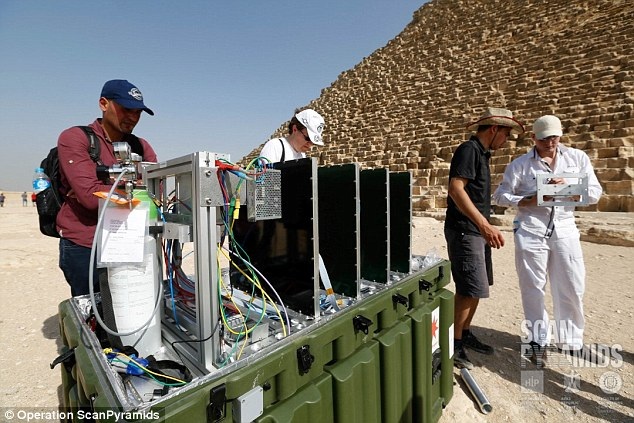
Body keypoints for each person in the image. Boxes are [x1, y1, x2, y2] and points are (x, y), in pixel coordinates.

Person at [493, 115, 602, 366]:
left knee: (572, 285)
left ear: (560, 135)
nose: (550, 143)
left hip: (565, 228)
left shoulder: (577, 158)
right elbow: (500, 195)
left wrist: (570, 186)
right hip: (531, 228)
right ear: (534, 138)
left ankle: (572, 341)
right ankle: (537, 341)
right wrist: (526, 199)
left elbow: (595, 193)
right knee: (533, 286)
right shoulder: (520, 165)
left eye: (554, 137)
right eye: (544, 139)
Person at [56, 79, 158, 297]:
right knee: (94, 314)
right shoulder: (75, 138)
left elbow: (154, 194)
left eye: (138, 112)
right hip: (86, 245)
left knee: (132, 309)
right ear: (103, 104)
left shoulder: (141, 146)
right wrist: (130, 187)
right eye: (126, 109)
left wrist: (103, 188)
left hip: (130, 243)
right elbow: (90, 200)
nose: (133, 117)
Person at [445, 107, 524, 369]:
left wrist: (484, 226)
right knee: (468, 288)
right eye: (506, 134)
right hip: (466, 229)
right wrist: (484, 225)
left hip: (476, 229)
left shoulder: (482, 154)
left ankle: (465, 334)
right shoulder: (469, 150)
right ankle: (454, 345)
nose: (507, 140)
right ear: (494, 129)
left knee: (478, 286)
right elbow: (456, 189)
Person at [260, 108, 325, 163]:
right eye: (308, 138)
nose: (310, 144)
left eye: (313, 142)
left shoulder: (302, 155)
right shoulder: (274, 147)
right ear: (295, 129)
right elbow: (264, 177)